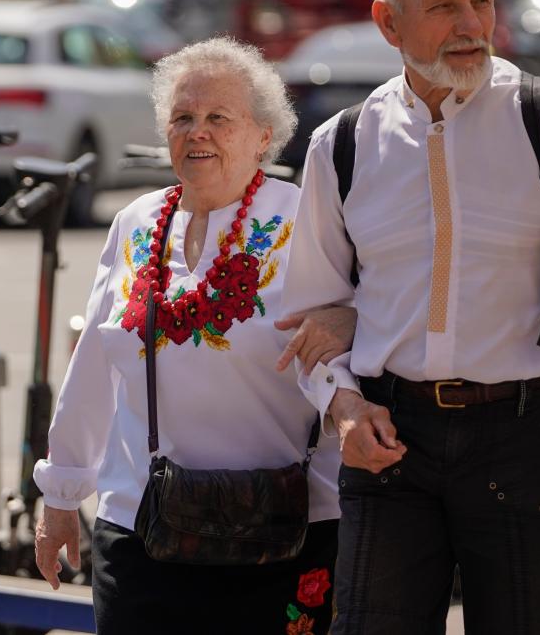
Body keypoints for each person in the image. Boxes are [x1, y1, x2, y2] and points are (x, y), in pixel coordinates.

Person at [279, 0, 540, 634]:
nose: (471, 25)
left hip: (526, 437)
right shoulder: (344, 144)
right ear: (388, 23)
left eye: (480, 1)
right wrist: (343, 406)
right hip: (391, 449)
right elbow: (312, 307)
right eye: (442, 6)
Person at [33, 36, 352, 634]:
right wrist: (62, 491)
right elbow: (96, 366)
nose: (196, 132)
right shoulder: (135, 223)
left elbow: (340, 351)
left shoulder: (307, 218)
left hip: (287, 528)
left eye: (217, 118)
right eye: (182, 117)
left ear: (264, 135)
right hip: (143, 528)